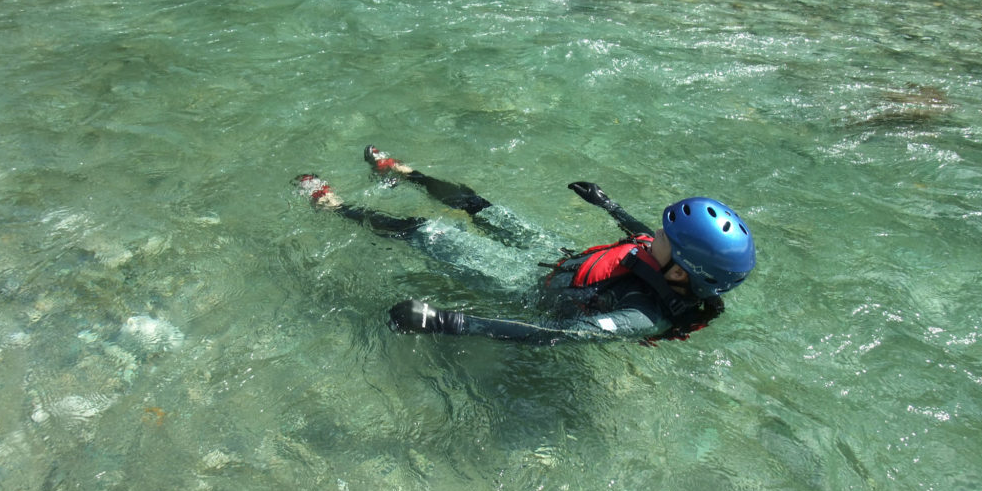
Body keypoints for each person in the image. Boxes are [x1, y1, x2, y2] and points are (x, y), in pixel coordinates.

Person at [296, 145, 755, 345]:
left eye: (666, 238)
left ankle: (335, 208)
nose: (655, 234)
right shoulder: (668, 261)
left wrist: (447, 321)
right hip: (560, 258)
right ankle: (404, 173)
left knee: (427, 231)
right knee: (479, 206)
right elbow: (639, 234)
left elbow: (551, 335)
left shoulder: (640, 316)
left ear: (681, 271)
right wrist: (608, 204)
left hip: (531, 286)